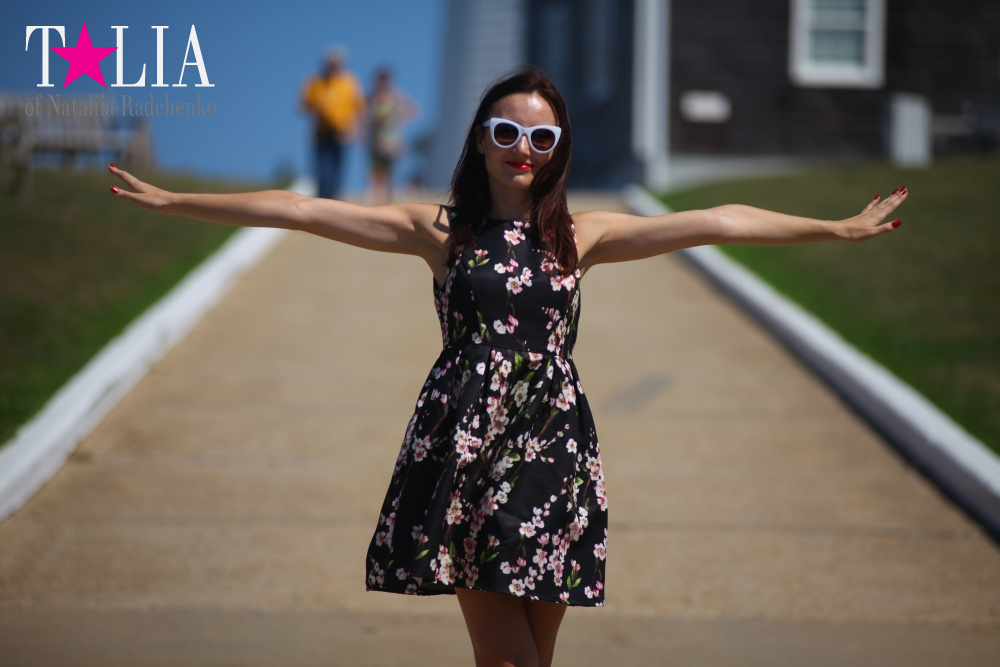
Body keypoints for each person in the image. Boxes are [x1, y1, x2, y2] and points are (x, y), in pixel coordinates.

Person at [107, 68, 906, 667]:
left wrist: (834, 229)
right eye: (507, 132)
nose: (523, 149)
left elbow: (717, 220)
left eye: (542, 138)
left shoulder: (581, 237)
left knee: (530, 659)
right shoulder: (440, 231)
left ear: (558, 151)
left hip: (553, 451)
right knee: (506, 658)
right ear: (481, 139)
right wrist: (178, 203)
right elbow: (304, 209)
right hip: (465, 445)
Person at [300, 47, 366, 199]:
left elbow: (360, 107)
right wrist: (317, 107)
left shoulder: (350, 81)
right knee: (323, 171)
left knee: (338, 171)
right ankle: (322, 199)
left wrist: (361, 131)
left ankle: (334, 201)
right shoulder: (314, 81)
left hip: (343, 132)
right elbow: (303, 104)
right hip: (322, 132)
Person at [367, 67, 418, 204]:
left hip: (393, 140)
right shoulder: (372, 97)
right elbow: (365, 117)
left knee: (392, 171)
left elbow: (414, 110)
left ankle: (391, 199)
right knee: (378, 171)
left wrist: (400, 117)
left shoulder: (396, 95)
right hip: (376, 140)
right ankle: (378, 200)